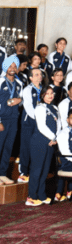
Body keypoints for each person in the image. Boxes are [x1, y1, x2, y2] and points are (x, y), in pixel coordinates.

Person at [27, 87, 61, 206]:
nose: (50, 96)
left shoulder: (55, 108)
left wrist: (56, 138)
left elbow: (59, 124)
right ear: (42, 95)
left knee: (45, 170)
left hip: (51, 142)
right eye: (47, 94)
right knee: (37, 169)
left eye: (52, 93)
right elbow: (41, 126)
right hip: (39, 141)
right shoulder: (40, 108)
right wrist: (53, 137)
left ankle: (41, 195)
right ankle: (31, 196)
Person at [0, 56, 23, 184]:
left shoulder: (19, 84)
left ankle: (2, 173)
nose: (13, 68)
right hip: (2, 118)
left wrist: (20, 100)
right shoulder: (0, 81)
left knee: (8, 147)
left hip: (13, 119)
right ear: (5, 67)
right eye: (10, 66)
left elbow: (20, 101)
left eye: (15, 66)